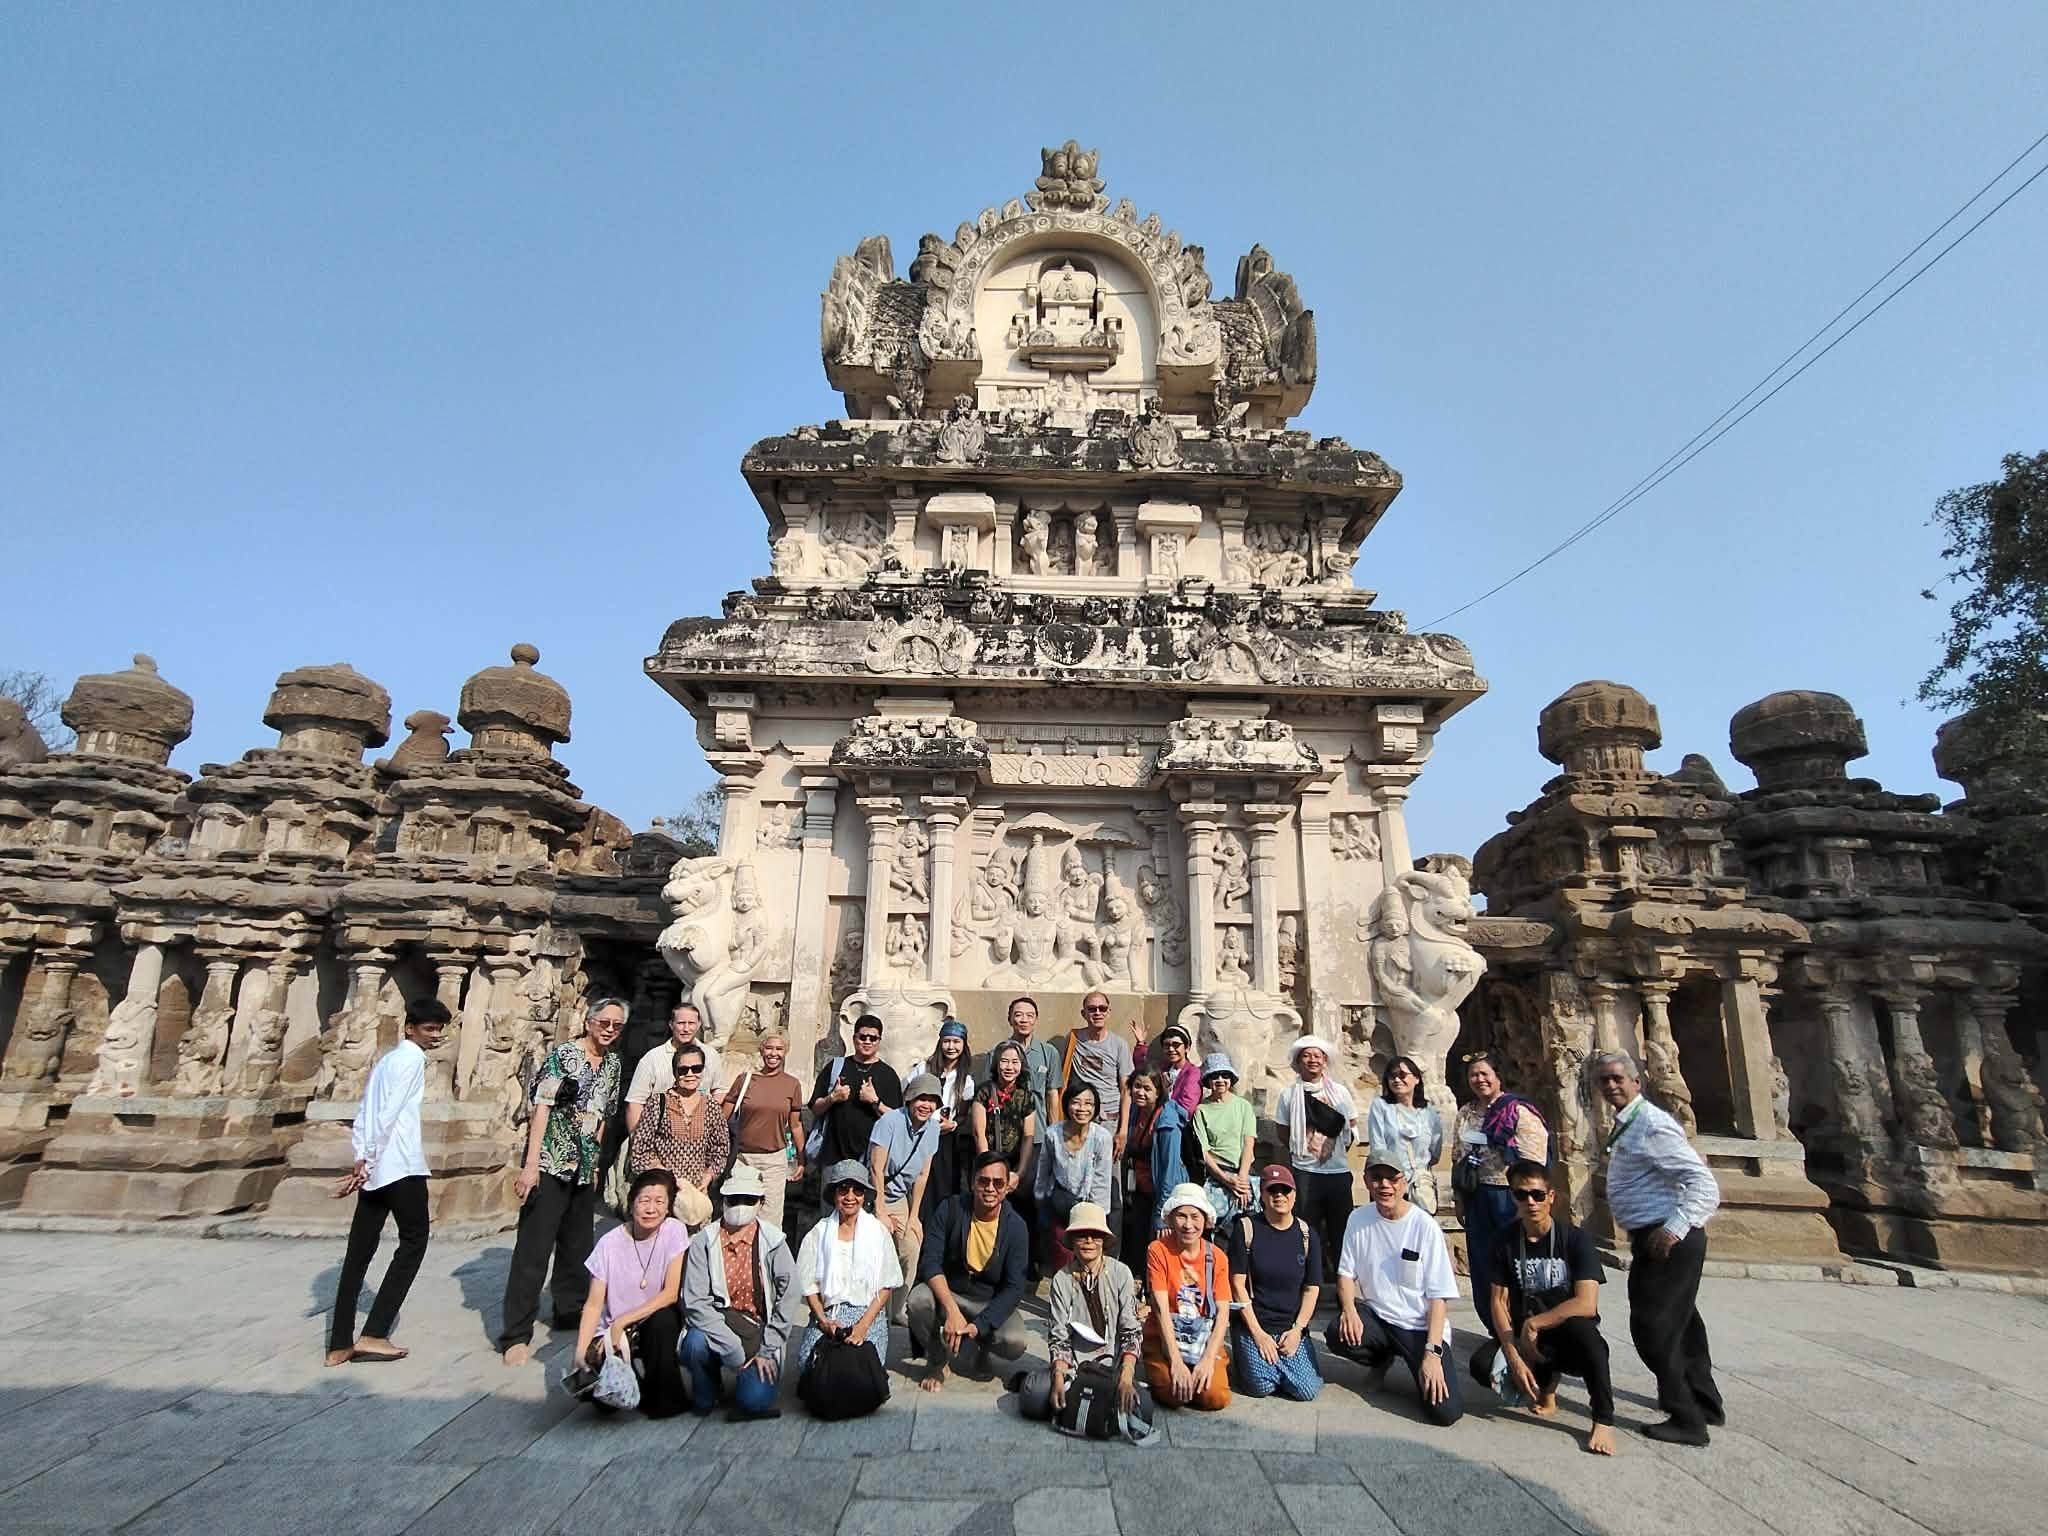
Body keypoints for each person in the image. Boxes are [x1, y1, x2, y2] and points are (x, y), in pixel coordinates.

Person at [1595, 1050, 1724, 1446]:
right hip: (1654, 1233)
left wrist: (1675, 1228)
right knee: (1682, 1321)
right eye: (1604, 1080)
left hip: (1667, 1236)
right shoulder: (1629, 1123)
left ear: (1637, 1082)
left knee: (1653, 1326)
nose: (1611, 1085)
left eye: (1618, 1078)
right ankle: (1704, 1400)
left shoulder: (1651, 1123)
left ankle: (1686, 1418)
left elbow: (1703, 1183)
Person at [500, 996, 626, 1367]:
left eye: (617, 1025)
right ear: (589, 1022)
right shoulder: (564, 1056)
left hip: (584, 1166)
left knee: (577, 1245)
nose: (610, 1030)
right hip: (552, 1162)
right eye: (604, 1022)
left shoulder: (613, 1064)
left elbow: (604, 1115)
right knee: (534, 1250)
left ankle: (569, 1310)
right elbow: (541, 1107)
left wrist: (597, 1162)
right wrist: (530, 1165)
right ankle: (516, 1333)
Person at [326, 996, 449, 1366]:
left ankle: (339, 1342)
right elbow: (389, 1113)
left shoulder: (386, 1061)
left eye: (438, 1030)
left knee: (359, 1251)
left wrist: (362, 1158)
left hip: (376, 1167)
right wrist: (370, 1157)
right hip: (400, 1166)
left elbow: (366, 1110)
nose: (435, 1035)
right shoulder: (411, 1060)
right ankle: (375, 1332)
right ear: (410, 1028)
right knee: (414, 1241)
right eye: (429, 1029)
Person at [1475, 1160, 1616, 1455]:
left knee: (1592, 1343)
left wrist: (1536, 1323)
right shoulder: (1504, 1240)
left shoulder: (1574, 1239)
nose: (1531, 1202)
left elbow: (1587, 1303)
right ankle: (1545, 1385)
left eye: (1538, 1195)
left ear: (1550, 1197)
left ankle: (1603, 1419)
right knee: (1482, 1365)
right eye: (1521, 1194)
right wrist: (1513, 1355)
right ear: (1513, 1197)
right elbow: (1497, 1301)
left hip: (1564, 1329)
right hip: (1524, 1333)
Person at [1324, 1147, 1463, 1427]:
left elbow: (1439, 1298)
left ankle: (1418, 1364)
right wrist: (1349, 1310)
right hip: (1380, 1317)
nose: (1384, 1185)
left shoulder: (1424, 1226)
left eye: (1392, 1178)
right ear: (1366, 1181)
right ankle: (1381, 1360)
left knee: (1446, 1412)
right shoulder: (1358, 1220)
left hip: (1419, 1327)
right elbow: (1345, 1274)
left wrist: (1432, 1352)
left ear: (1404, 1181)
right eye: (1377, 1178)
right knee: (1338, 1331)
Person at [1015, 1200, 1152, 1438]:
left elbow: (1131, 1332)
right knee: (1033, 1396)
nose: (1089, 1241)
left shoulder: (1121, 1273)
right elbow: (1059, 1337)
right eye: (1081, 1235)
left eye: (1095, 1235)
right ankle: (1083, 1404)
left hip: (1113, 1367)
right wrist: (1059, 1377)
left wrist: (1126, 1377)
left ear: (1104, 1240)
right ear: (1072, 1240)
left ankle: (1088, 1407)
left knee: (1144, 1408)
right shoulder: (1061, 1279)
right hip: (1074, 1368)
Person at [680, 1161, 796, 1420]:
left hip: (758, 1332)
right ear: (723, 1200)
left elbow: (789, 1296)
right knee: (695, 1344)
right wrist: (731, 1347)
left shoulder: (774, 1241)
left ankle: (749, 1379)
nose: (740, 1205)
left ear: (760, 1203)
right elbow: (695, 1302)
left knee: (754, 1401)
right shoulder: (704, 1241)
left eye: (749, 1199)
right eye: (734, 1199)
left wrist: (768, 1349)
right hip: (716, 1324)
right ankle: (706, 1389)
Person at [907, 1150, 1031, 1391]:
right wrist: (951, 1310)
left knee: (1015, 1341)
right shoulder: (950, 1208)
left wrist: (979, 1326)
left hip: (988, 1301)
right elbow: (930, 1262)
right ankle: (937, 1360)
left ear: (1007, 1187)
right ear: (972, 1182)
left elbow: (1014, 1288)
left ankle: (981, 1348)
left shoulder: (1016, 1227)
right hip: (950, 1293)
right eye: (983, 1181)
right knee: (917, 1301)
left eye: (998, 1183)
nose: (990, 1188)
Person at [570, 1168, 688, 1417]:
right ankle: (636, 1384)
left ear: (668, 1207)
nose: (651, 1209)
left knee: (664, 1321)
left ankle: (664, 1398)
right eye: (644, 1201)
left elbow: (670, 1293)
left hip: (651, 1318)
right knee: (603, 1402)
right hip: (614, 1330)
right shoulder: (608, 1244)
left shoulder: (674, 1231)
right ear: (631, 1203)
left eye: (659, 1202)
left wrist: (623, 1321)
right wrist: (580, 1352)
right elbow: (593, 1304)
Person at [1452, 1052, 1547, 1333]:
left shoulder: (1517, 1110)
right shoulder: (1466, 1113)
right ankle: (1495, 1326)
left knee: (1516, 1259)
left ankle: (1525, 1322)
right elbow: (1457, 1156)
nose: (1479, 1079)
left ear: (1497, 1076)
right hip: (1477, 1195)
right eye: (1473, 1075)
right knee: (1483, 1262)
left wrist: (1526, 1199)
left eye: (1484, 1073)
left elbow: (1534, 1159)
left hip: (1510, 1196)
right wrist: (1459, 1198)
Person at [1225, 1165, 1324, 1401]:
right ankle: (1261, 1364)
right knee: (1260, 1387)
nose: (1279, 1195)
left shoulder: (1307, 1234)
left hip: (1290, 1327)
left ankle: (1282, 1366)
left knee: (1307, 1391)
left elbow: (1312, 1288)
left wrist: (1297, 1330)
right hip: (1254, 1324)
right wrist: (1259, 1334)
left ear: (1294, 1195)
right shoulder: (1246, 1229)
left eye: (1285, 1190)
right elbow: (1237, 1284)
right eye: (1272, 1190)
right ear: (1262, 1195)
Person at [794, 1160, 900, 1381]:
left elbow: (887, 1283)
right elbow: (809, 1286)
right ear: (834, 1194)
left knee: (859, 1370)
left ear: (864, 1196)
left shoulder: (878, 1232)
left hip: (868, 1314)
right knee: (810, 1367)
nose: (850, 1196)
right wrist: (824, 1321)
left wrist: (862, 1326)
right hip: (828, 1314)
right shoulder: (818, 1233)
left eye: (857, 1190)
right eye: (843, 1189)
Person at [985, 996, 1060, 1272]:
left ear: (1036, 1019)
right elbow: (988, 1093)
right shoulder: (997, 1052)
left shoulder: (1048, 1053)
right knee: (1001, 1201)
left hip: (1036, 1138)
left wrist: (1054, 1134)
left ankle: (1032, 1263)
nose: (1023, 1020)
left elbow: (1052, 1095)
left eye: (1029, 1015)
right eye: (1018, 1014)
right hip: (1003, 1140)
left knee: (1033, 1201)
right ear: (1010, 1019)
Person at [1143, 1183, 1231, 1411]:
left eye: (1195, 1216)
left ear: (1205, 1219)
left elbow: (1223, 1313)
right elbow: (1160, 1307)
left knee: (1215, 1397)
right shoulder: (1158, 1250)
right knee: (1174, 1393)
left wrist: (1208, 1359)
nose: (1188, 1225)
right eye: (1181, 1216)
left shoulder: (1218, 1257)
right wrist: (1176, 1361)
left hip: (1202, 1338)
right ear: (1171, 1219)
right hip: (1165, 1337)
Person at [625, 1039, 728, 1229]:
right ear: (675, 1072)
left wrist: (708, 1177)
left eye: (696, 1068)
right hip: (663, 1196)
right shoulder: (658, 1103)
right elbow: (640, 1150)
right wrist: (667, 1175)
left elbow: (720, 1149)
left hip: (695, 1200)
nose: (690, 1074)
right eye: (683, 1070)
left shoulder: (711, 1107)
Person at [868, 1074, 944, 1325]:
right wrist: (880, 1210)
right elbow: (876, 1169)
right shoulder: (889, 1122)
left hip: (900, 1197)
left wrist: (914, 1216)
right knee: (877, 1249)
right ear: (910, 1099)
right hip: (872, 1194)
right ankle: (872, 1309)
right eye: (921, 1098)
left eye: (932, 1100)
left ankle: (898, 1308)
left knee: (911, 1246)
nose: (926, 1105)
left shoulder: (933, 1129)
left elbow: (923, 1175)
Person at [1277, 1036, 1357, 1272]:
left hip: (1337, 1171)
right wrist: (1303, 1149)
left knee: (1341, 1230)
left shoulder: (1340, 1092)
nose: (1312, 1060)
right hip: (1304, 1171)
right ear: (1298, 1061)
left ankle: (1342, 1280)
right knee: (1307, 1229)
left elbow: (1351, 1127)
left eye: (1317, 1056)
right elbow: (1283, 1131)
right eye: (1306, 1056)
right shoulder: (1289, 1095)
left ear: (1325, 1060)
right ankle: (1312, 1279)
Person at [720, 1031, 806, 1230]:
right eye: (769, 1048)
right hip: (743, 1158)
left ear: (786, 1052)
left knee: (770, 1221)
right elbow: (722, 1119)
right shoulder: (745, 1080)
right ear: (761, 1050)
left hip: (774, 1161)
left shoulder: (792, 1084)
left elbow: (795, 1125)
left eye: (779, 1049)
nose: (773, 1053)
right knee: (738, 1216)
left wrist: (802, 1159)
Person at [1037, 1080, 1113, 1268]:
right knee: (1062, 1259)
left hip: (1089, 1207)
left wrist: (1096, 1219)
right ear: (1067, 1104)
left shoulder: (1102, 1138)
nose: (1082, 1109)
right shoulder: (1053, 1134)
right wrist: (1040, 1199)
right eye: (1076, 1102)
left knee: (1088, 1259)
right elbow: (1044, 1169)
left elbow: (1102, 1183)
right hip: (1061, 1202)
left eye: (1088, 1103)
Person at [809, 1013, 901, 1168]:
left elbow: (897, 1120)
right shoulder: (836, 1067)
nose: (867, 1041)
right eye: (863, 1037)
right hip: (833, 1157)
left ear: (879, 1041)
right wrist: (832, 1098)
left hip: (871, 1159)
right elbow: (815, 1108)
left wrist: (875, 1102)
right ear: (854, 1038)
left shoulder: (888, 1075)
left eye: (873, 1038)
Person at [971, 1038, 1040, 1236]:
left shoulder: (1026, 1097)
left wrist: (1019, 1173)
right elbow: (978, 1133)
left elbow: (1028, 1136)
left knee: (1019, 1219)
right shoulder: (984, 1091)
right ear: (996, 1064)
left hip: (1015, 1166)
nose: (1009, 1067)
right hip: (988, 1164)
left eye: (1015, 1062)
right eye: (1004, 1061)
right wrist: (989, 1170)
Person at [625, 1003, 726, 1131]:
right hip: (660, 1132)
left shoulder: (711, 1055)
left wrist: (706, 1118)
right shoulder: (652, 1058)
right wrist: (638, 1137)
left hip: (699, 1131)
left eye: (691, 1023)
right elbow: (635, 1102)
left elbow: (719, 1090)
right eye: (681, 1023)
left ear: (699, 1025)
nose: (686, 1029)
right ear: (671, 1024)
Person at [1367, 1055, 1444, 1216]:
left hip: (1420, 1185)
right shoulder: (1381, 1106)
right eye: (1392, 1076)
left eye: (1402, 1075)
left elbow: (1435, 1150)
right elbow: (1378, 1147)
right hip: (1390, 1183)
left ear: (1416, 1079)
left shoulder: (1429, 1112)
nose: (1397, 1080)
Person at [920, 1019, 976, 1217]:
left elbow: (963, 1114)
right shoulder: (924, 1068)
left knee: (944, 1187)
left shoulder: (965, 1079)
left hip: (947, 1139)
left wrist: (953, 1124)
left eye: (956, 1042)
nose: (951, 1047)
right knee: (922, 1184)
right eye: (947, 1041)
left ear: (963, 1045)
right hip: (921, 1133)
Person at [1191, 1053, 1257, 1222]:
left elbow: (1248, 1143)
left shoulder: (1243, 1106)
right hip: (1218, 1175)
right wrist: (1227, 1180)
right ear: (1208, 1081)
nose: (1220, 1080)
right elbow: (1204, 1152)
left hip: (1243, 1174)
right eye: (1215, 1076)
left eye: (1225, 1075)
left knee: (1249, 1224)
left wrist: (1241, 1181)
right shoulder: (1201, 1111)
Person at [1120, 1070, 1164, 1260]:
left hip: (1157, 1190)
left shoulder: (1164, 1119)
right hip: (1138, 1186)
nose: (1140, 1092)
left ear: (1158, 1092)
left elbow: (1168, 1167)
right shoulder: (1135, 1112)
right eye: (1137, 1086)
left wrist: (1162, 1210)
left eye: (1147, 1088)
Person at [1135, 1022, 1200, 1112]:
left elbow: (1186, 1108)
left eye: (1176, 1045)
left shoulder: (1192, 1073)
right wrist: (1141, 1044)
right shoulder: (1162, 1068)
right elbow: (1143, 1072)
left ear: (1187, 1048)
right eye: (1167, 1045)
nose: (1171, 1049)